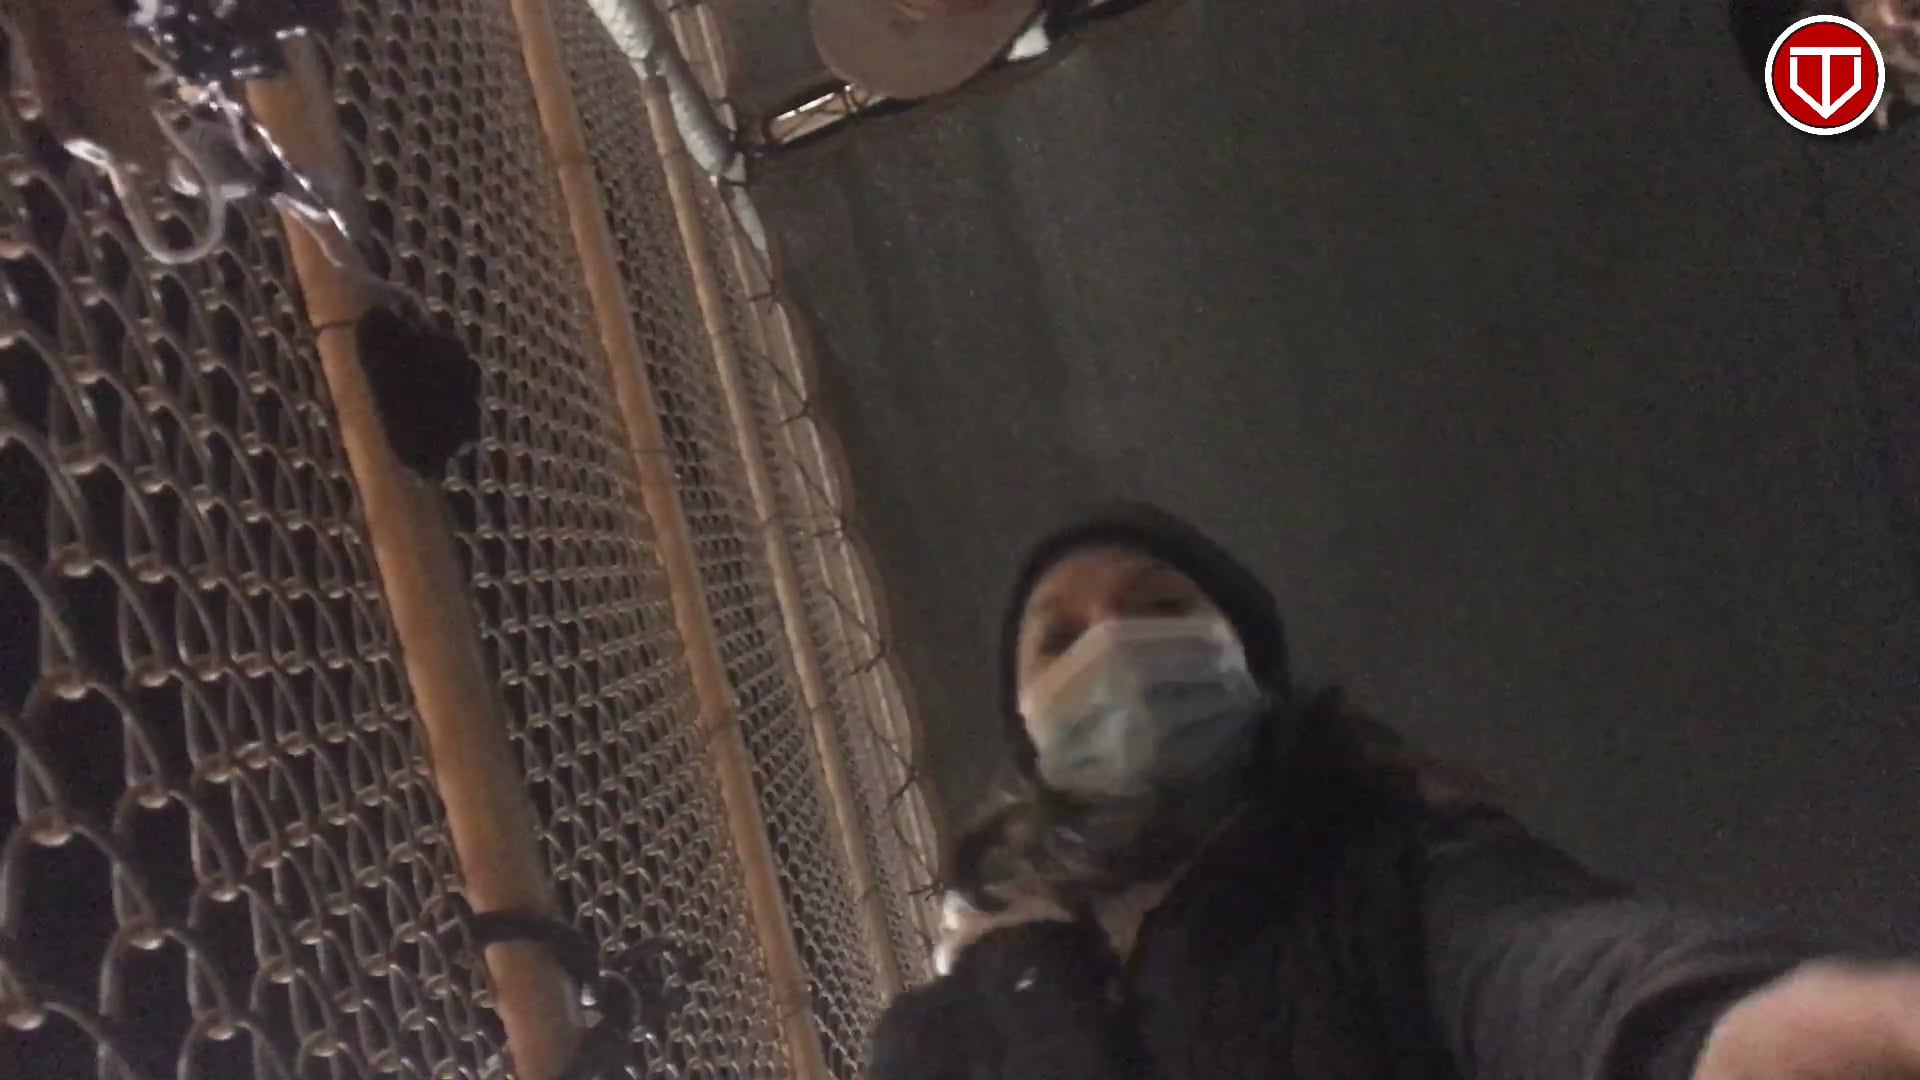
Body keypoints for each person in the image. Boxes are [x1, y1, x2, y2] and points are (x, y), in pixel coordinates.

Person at [867, 501, 1920, 1080]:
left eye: (1160, 608)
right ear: (1027, 734)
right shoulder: (949, 1032)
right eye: (1060, 638)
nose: (1113, 648)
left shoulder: (1393, 875)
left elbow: (1544, 962)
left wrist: (1722, 1030)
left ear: (1252, 666)